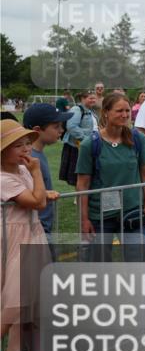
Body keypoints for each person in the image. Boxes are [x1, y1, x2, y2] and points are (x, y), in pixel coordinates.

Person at [0, 120, 66, 351]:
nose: (26, 149)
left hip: (32, 237)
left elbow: (35, 196)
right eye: (18, 145)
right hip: (15, 242)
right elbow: (36, 202)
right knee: (13, 306)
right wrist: (38, 177)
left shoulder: (21, 170)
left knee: (37, 303)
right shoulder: (4, 178)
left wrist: (43, 190)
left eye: (27, 143)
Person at [76, 93, 145, 263]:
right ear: (105, 112)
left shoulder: (137, 139)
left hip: (132, 212)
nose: (125, 115)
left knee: (136, 262)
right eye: (119, 111)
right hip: (100, 216)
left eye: (127, 110)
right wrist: (84, 219)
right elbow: (82, 184)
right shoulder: (90, 144)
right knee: (100, 264)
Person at [23, 103, 73, 251]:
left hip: (42, 227)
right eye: (56, 126)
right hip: (34, 230)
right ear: (37, 130)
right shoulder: (28, 159)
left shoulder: (37, 154)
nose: (61, 130)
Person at [59, 91, 97, 187]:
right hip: (77, 147)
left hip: (87, 146)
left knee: (87, 175)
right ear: (82, 99)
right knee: (78, 176)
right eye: (90, 98)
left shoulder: (91, 111)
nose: (93, 100)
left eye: (94, 98)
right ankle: (80, 194)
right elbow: (72, 127)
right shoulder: (77, 109)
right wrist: (87, 140)